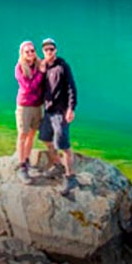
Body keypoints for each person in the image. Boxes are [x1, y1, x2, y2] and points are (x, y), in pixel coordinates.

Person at [39, 36, 78, 195]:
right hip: (48, 111)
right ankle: (57, 165)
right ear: (43, 51)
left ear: (56, 50)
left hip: (60, 112)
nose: (49, 52)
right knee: (45, 139)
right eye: (46, 49)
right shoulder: (43, 67)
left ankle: (70, 178)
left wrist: (71, 108)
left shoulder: (62, 66)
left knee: (63, 145)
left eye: (51, 49)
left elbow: (71, 88)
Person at [14, 39, 44, 184]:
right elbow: (28, 87)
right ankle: (21, 166)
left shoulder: (40, 65)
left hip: (38, 105)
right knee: (22, 134)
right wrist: (40, 74)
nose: (31, 53)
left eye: (32, 50)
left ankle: (26, 160)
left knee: (32, 134)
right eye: (27, 51)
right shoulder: (19, 68)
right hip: (24, 105)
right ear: (22, 53)